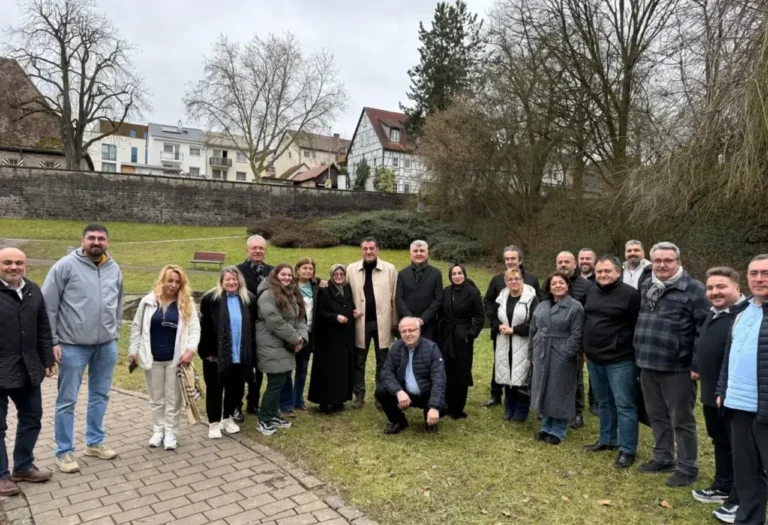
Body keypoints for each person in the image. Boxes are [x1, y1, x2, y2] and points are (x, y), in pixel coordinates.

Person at [42, 224, 123, 474]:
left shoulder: (113, 268)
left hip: (105, 345)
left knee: (100, 395)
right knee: (67, 400)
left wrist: (115, 332)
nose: (96, 242)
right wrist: (53, 341)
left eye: (101, 238)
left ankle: (94, 443)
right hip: (72, 346)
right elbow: (48, 305)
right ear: (83, 241)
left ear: (108, 242)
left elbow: (118, 302)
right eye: (91, 238)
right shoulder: (65, 266)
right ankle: (64, 451)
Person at [634, 242, 708, 487]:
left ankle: (688, 467)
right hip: (648, 362)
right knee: (656, 415)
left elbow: (703, 330)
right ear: (651, 262)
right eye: (657, 261)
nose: (662, 265)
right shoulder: (647, 286)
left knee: (681, 419)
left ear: (678, 262)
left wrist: (697, 364)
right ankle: (663, 457)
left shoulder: (695, 290)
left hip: (678, 367)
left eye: (667, 260)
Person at [716, 254, 768, 525]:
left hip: (764, 409)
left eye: (765, 273)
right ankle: (749, 520)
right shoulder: (742, 311)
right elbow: (730, 355)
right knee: (747, 474)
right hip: (738, 405)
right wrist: (723, 388)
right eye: (754, 273)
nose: (759, 278)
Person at [0, 248, 54, 496]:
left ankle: (23, 466)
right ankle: (1, 477)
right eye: (7, 262)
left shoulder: (33, 290)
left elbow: (43, 327)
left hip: (28, 368)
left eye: (19, 263)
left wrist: (46, 359)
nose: (14, 267)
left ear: (25, 265)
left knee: (32, 418)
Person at [691, 267, 743, 523]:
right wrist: (698, 366)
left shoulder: (742, 316)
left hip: (734, 396)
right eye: (710, 288)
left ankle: (739, 497)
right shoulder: (714, 314)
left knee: (739, 448)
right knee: (719, 441)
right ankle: (722, 485)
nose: (714, 292)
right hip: (711, 392)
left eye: (721, 287)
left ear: (737, 288)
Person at [128, 265, 200, 451]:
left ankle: (171, 432)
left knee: (173, 398)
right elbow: (136, 328)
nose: (173, 285)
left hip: (176, 359)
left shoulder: (186, 302)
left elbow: (194, 329)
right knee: (156, 397)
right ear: (163, 280)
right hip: (152, 358)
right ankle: (158, 430)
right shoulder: (148, 301)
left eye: (177, 282)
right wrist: (133, 351)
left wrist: (191, 350)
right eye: (170, 280)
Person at [582, 256, 641, 469]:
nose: (603, 275)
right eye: (599, 272)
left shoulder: (631, 295)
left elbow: (638, 327)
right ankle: (607, 440)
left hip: (620, 360)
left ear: (618, 272)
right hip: (594, 358)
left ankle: (627, 449)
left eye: (607, 271)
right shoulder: (592, 291)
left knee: (624, 404)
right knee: (603, 401)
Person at [199, 267, 256, 440]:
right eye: (228, 280)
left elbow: (252, 328)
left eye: (235, 279)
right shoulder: (210, 299)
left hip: (239, 353)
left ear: (240, 281)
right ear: (221, 281)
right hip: (215, 354)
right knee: (215, 388)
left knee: (235, 387)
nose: (231, 282)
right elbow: (204, 328)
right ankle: (214, 422)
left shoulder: (248, 299)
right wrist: (206, 352)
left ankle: (227, 418)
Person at [530, 271, 585, 445]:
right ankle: (546, 426)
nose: (558, 286)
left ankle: (558, 429)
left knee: (560, 390)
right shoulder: (541, 305)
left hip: (562, 353)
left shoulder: (575, 307)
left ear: (568, 286)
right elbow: (533, 330)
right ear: (549, 287)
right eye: (554, 283)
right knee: (543, 388)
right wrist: (531, 353)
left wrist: (567, 353)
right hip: (541, 351)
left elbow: (577, 335)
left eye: (561, 283)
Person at [483, 245, 541, 407]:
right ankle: (496, 394)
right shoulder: (496, 279)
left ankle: (523, 398)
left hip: (523, 332)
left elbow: (539, 304)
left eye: (513, 258)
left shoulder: (532, 279)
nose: (510, 261)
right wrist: (496, 323)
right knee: (500, 361)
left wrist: (522, 326)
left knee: (522, 364)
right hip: (502, 331)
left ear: (520, 259)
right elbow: (488, 301)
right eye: (507, 259)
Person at [255, 264, 309, 436]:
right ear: (276, 275)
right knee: (275, 383)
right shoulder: (267, 294)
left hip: (286, 344)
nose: (286, 278)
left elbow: (301, 318)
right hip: (271, 344)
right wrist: (295, 338)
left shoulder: (292, 294)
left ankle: (272, 414)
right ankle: (263, 419)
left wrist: (301, 338)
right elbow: (275, 322)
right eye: (283, 274)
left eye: (289, 275)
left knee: (280, 381)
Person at [347, 238, 398, 409]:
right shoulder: (351, 269)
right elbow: (345, 294)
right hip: (360, 323)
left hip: (382, 323)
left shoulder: (389, 269)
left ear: (377, 249)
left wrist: (394, 322)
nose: (368, 252)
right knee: (358, 361)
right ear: (361, 250)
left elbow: (395, 298)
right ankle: (359, 395)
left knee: (382, 362)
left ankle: (380, 395)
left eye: (371, 248)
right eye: (365, 248)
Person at [375, 317, 446, 434]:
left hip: (426, 393)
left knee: (441, 406)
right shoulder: (396, 347)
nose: (408, 334)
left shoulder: (432, 348)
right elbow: (386, 372)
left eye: (411, 330)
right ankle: (398, 421)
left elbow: (439, 378)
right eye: (404, 331)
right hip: (405, 394)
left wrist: (434, 406)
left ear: (419, 331)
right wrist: (398, 391)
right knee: (381, 391)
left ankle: (430, 418)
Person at [308, 264, 357, 413]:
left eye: (341, 274)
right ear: (331, 275)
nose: (339, 276)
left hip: (344, 337)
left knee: (341, 369)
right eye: (336, 274)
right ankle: (324, 402)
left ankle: (339, 400)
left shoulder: (348, 289)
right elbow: (320, 313)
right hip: (328, 338)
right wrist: (335, 317)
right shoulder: (324, 290)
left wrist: (354, 312)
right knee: (327, 370)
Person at [491, 268, 539, 422]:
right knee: (507, 373)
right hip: (504, 342)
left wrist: (515, 330)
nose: (514, 282)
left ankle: (521, 410)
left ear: (522, 280)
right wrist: (499, 326)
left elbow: (534, 323)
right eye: (510, 279)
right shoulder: (501, 298)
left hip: (523, 342)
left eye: (517, 278)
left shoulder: (531, 298)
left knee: (521, 376)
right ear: (506, 282)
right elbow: (493, 317)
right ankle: (509, 406)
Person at [437, 264, 484, 419]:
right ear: (450, 276)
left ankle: (457, 408)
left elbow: (479, 317)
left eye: (460, 273)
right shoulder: (446, 291)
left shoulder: (472, 292)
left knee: (461, 371)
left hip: (463, 337)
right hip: (447, 335)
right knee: (446, 368)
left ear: (464, 274)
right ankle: (445, 404)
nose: (457, 276)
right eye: (454, 273)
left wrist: (470, 333)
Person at [235, 234, 274, 422]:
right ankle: (236, 405)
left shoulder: (272, 271)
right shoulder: (237, 271)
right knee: (241, 367)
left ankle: (253, 402)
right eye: (254, 248)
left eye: (261, 248)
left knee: (259, 368)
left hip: (265, 328)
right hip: (243, 326)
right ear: (247, 250)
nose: (258, 251)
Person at [554, 251, 592, 428]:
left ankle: (577, 413)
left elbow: (590, 314)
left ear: (574, 264)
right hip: (553, 338)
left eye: (567, 262)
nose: (563, 265)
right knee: (553, 375)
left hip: (575, 337)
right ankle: (553, 407)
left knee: (575, 378)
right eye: (560, 262)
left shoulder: (586, 286)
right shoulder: (551, 283)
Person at [280, 258, 318, 417]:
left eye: (310, 269)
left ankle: (298, 400)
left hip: (308, 334)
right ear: (297, 270)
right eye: (305, 268)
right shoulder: (289, 286)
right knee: (288, 369)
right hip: (291, 334)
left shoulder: (316, 286)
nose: (308, 271)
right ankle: (285, 402)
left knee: (302, 369)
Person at [396, 240, 443, 342]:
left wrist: (423, 319)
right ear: (410, 254)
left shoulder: (436, 274)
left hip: (428, 325)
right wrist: (411, 319)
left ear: (427, 253)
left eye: (422, 251)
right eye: (415, 251)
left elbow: (438, 298)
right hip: (407, 325)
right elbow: (399, 298)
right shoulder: (402, 274)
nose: (418, 253)